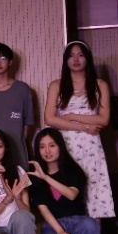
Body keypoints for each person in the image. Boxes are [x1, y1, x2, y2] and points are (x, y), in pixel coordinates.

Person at [43, 41, 113, 221]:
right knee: (68, 189)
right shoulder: (56, 85)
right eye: (71, 56)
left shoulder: (100, 85)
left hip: (91, 146)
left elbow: (103, 119)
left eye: (80, 55)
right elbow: (49, 119)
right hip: (66, 146)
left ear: (87, 59)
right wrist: (84, 126)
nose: (75, 59)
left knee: (94, 192)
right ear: (65, 60)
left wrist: (71, 116)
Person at [28, 128, 103, 234]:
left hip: (78, 221)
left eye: (52, 145)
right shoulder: (35, 177)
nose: (47, 151)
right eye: (42, 147)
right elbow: (43, 210)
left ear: (60, 146)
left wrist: (46, 178)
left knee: (91, 224)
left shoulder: (73, 170)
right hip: (52, 226)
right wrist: (60, 230)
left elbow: (71, 194)